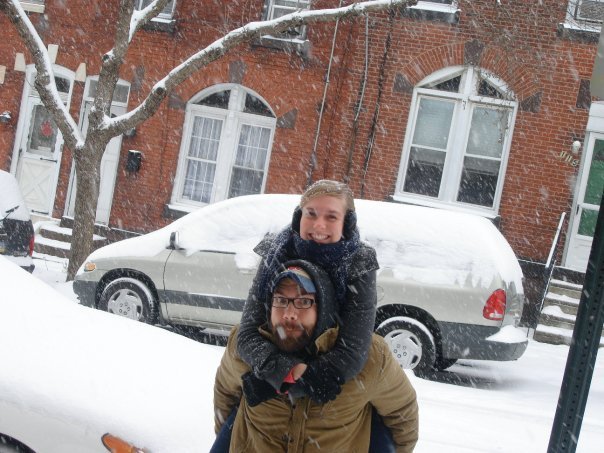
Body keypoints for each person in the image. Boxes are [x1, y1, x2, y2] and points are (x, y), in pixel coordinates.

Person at [213, 261, 418, 452]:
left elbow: (402, 416)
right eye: (281, 300)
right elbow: (225, 400)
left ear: (324, 307)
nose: (289, 313)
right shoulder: (245, 349)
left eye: (303, 301)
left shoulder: (370, 357)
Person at [237, 180, 379, 402]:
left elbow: (353, 350)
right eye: (311, 214)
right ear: (298, 217)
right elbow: (247, 334)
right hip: (281, 345)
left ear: (347, 223)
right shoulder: (277, 251)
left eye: (331, 217)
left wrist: (291, 383)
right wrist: (283, 371)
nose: (319, 225)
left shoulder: (358, 262)